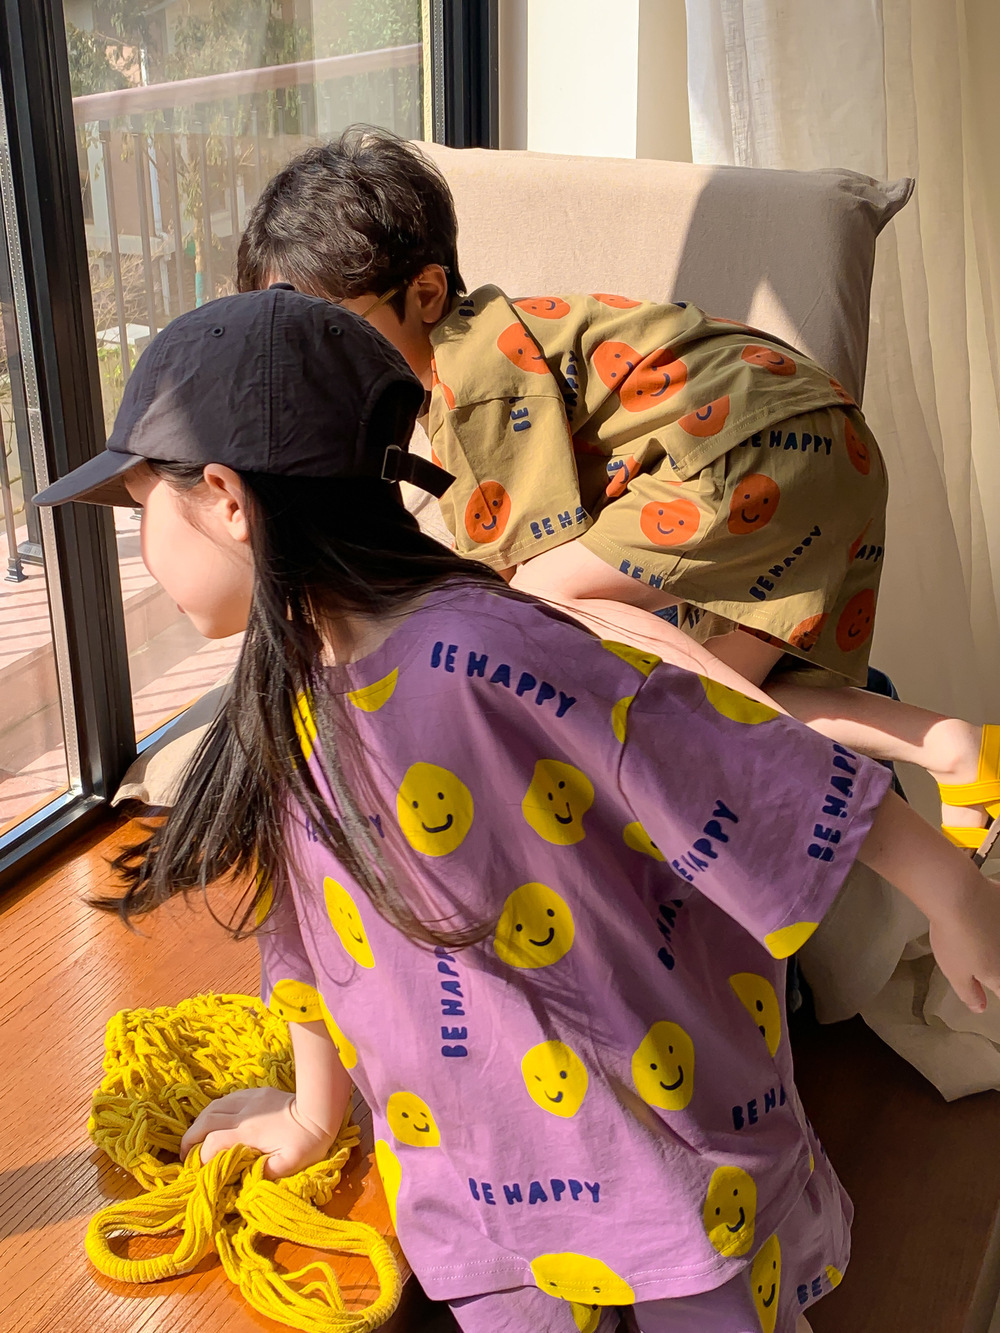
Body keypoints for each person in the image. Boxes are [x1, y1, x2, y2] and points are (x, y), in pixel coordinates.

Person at [34, 287, 1000, 1333]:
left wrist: (952, 892)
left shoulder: (489, 651)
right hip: (475, 1182)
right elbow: (304, 939)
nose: (141, 550)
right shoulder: (287, 695)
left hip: (658, 1154)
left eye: (142, 506)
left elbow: (742, 761)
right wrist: (312, 1115)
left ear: (227, 498)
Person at [234, 127, 1000, 857]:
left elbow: (515, 589)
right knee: (707, 703)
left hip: (747, 451)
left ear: (427, 293)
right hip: (820, 449)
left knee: (539, 620)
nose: (307, 361)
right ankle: (952, 750)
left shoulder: (471, 374)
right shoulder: (484, 351)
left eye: (325, 330)